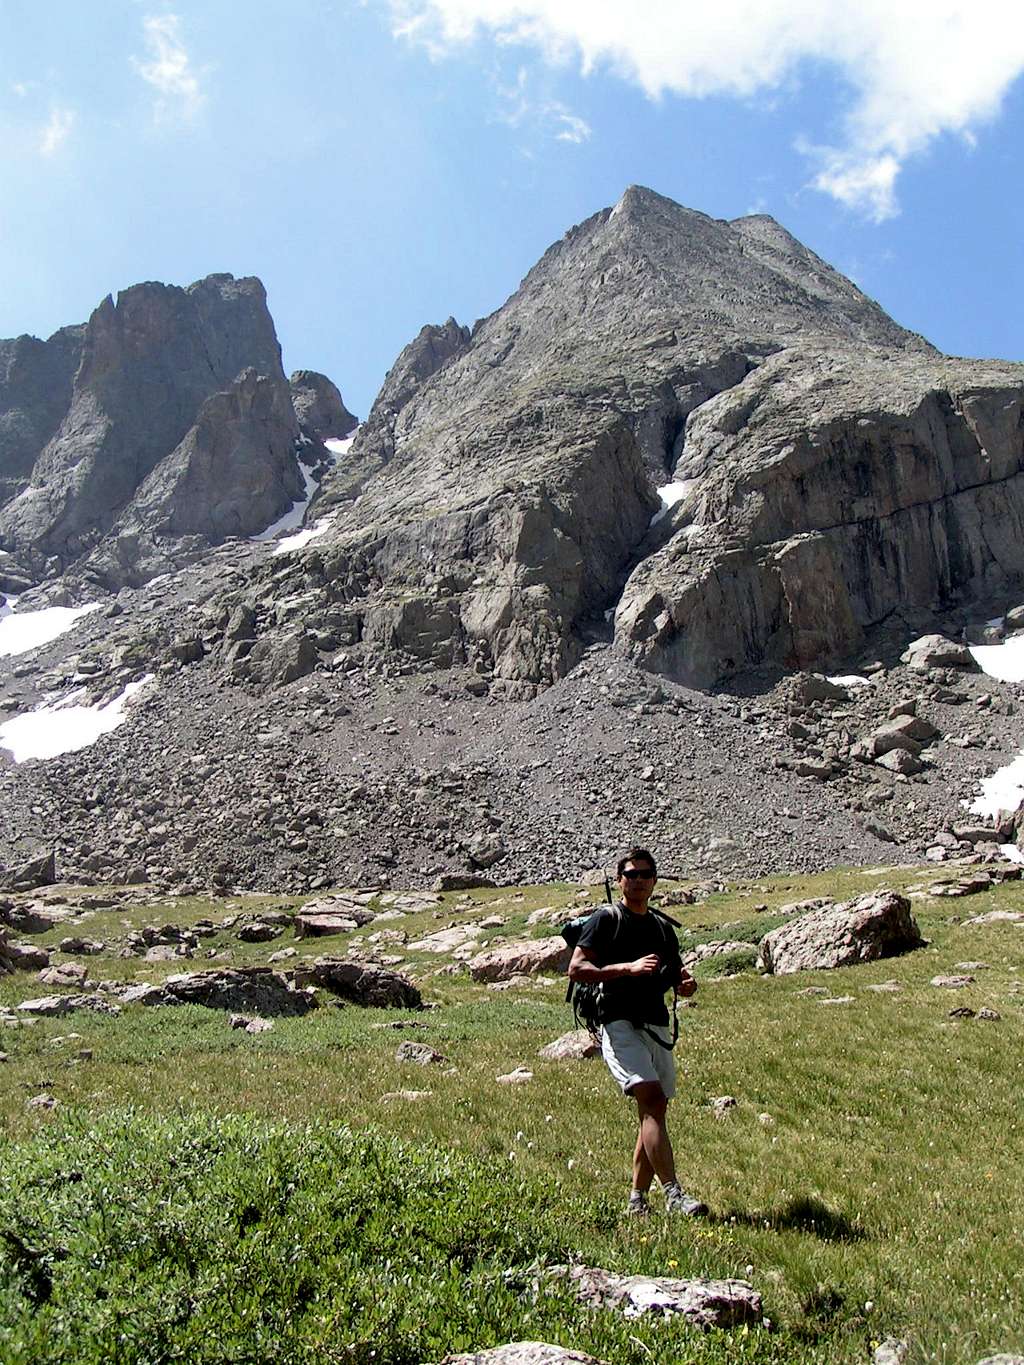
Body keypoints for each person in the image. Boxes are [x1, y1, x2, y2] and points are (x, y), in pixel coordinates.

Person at [568, 846, 708, 1217]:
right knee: (653, 1100)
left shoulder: (662, 927)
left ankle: (636, 1200)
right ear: (620, 880)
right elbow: (577, 969)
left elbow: (675, 971)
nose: (639, 881)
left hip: (656, 1022)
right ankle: (674, 1194)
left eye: (645, 875)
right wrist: (626, 969)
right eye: (631, 875)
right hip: (618, 1021)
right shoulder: (607, 919)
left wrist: (685, 984)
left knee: (653, 1111)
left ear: (654, 881)